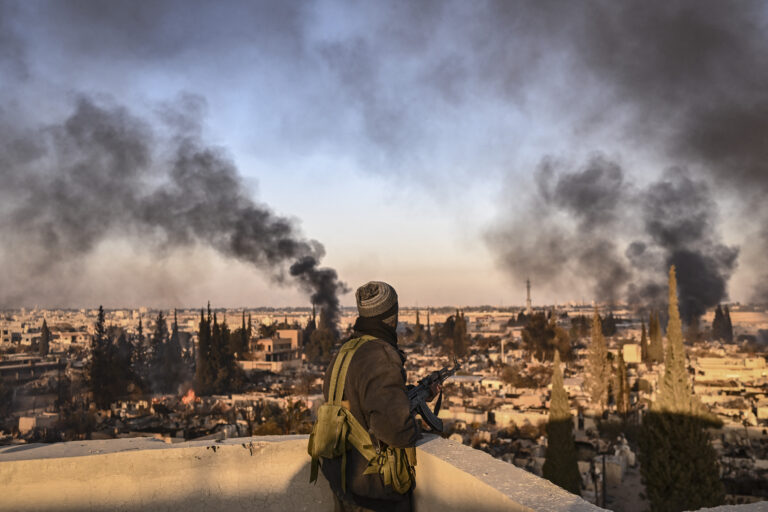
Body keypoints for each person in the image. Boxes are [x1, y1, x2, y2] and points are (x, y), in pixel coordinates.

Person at [320, 281, 420, 512]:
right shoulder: (381, 355)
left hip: (344, 482)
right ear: (391, 316)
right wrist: (413, 425)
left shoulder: (344, 352)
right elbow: (396, 432)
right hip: (374, 490)